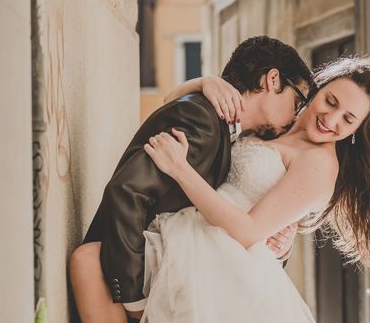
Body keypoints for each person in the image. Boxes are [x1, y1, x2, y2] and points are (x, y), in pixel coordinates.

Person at [69, 36, 315, 323]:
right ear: (273, 79)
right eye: (297, 101)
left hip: (200, 278)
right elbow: (127, 192)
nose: (296, 115)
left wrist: (278, 246)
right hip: (133, 279)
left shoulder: (229, 131)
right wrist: (134, 296)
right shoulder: (202, 118)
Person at [139, 55, 370, 322]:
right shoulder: (278, 118)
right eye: (330, 101)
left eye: (347, 119)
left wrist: (181, 170)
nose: (330, 119)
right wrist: (206, 83)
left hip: (223, 266)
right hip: (194, 236)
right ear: (319, 88)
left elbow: (249, 232)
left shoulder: (319, 162)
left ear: (357, 130)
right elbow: (169, 101)